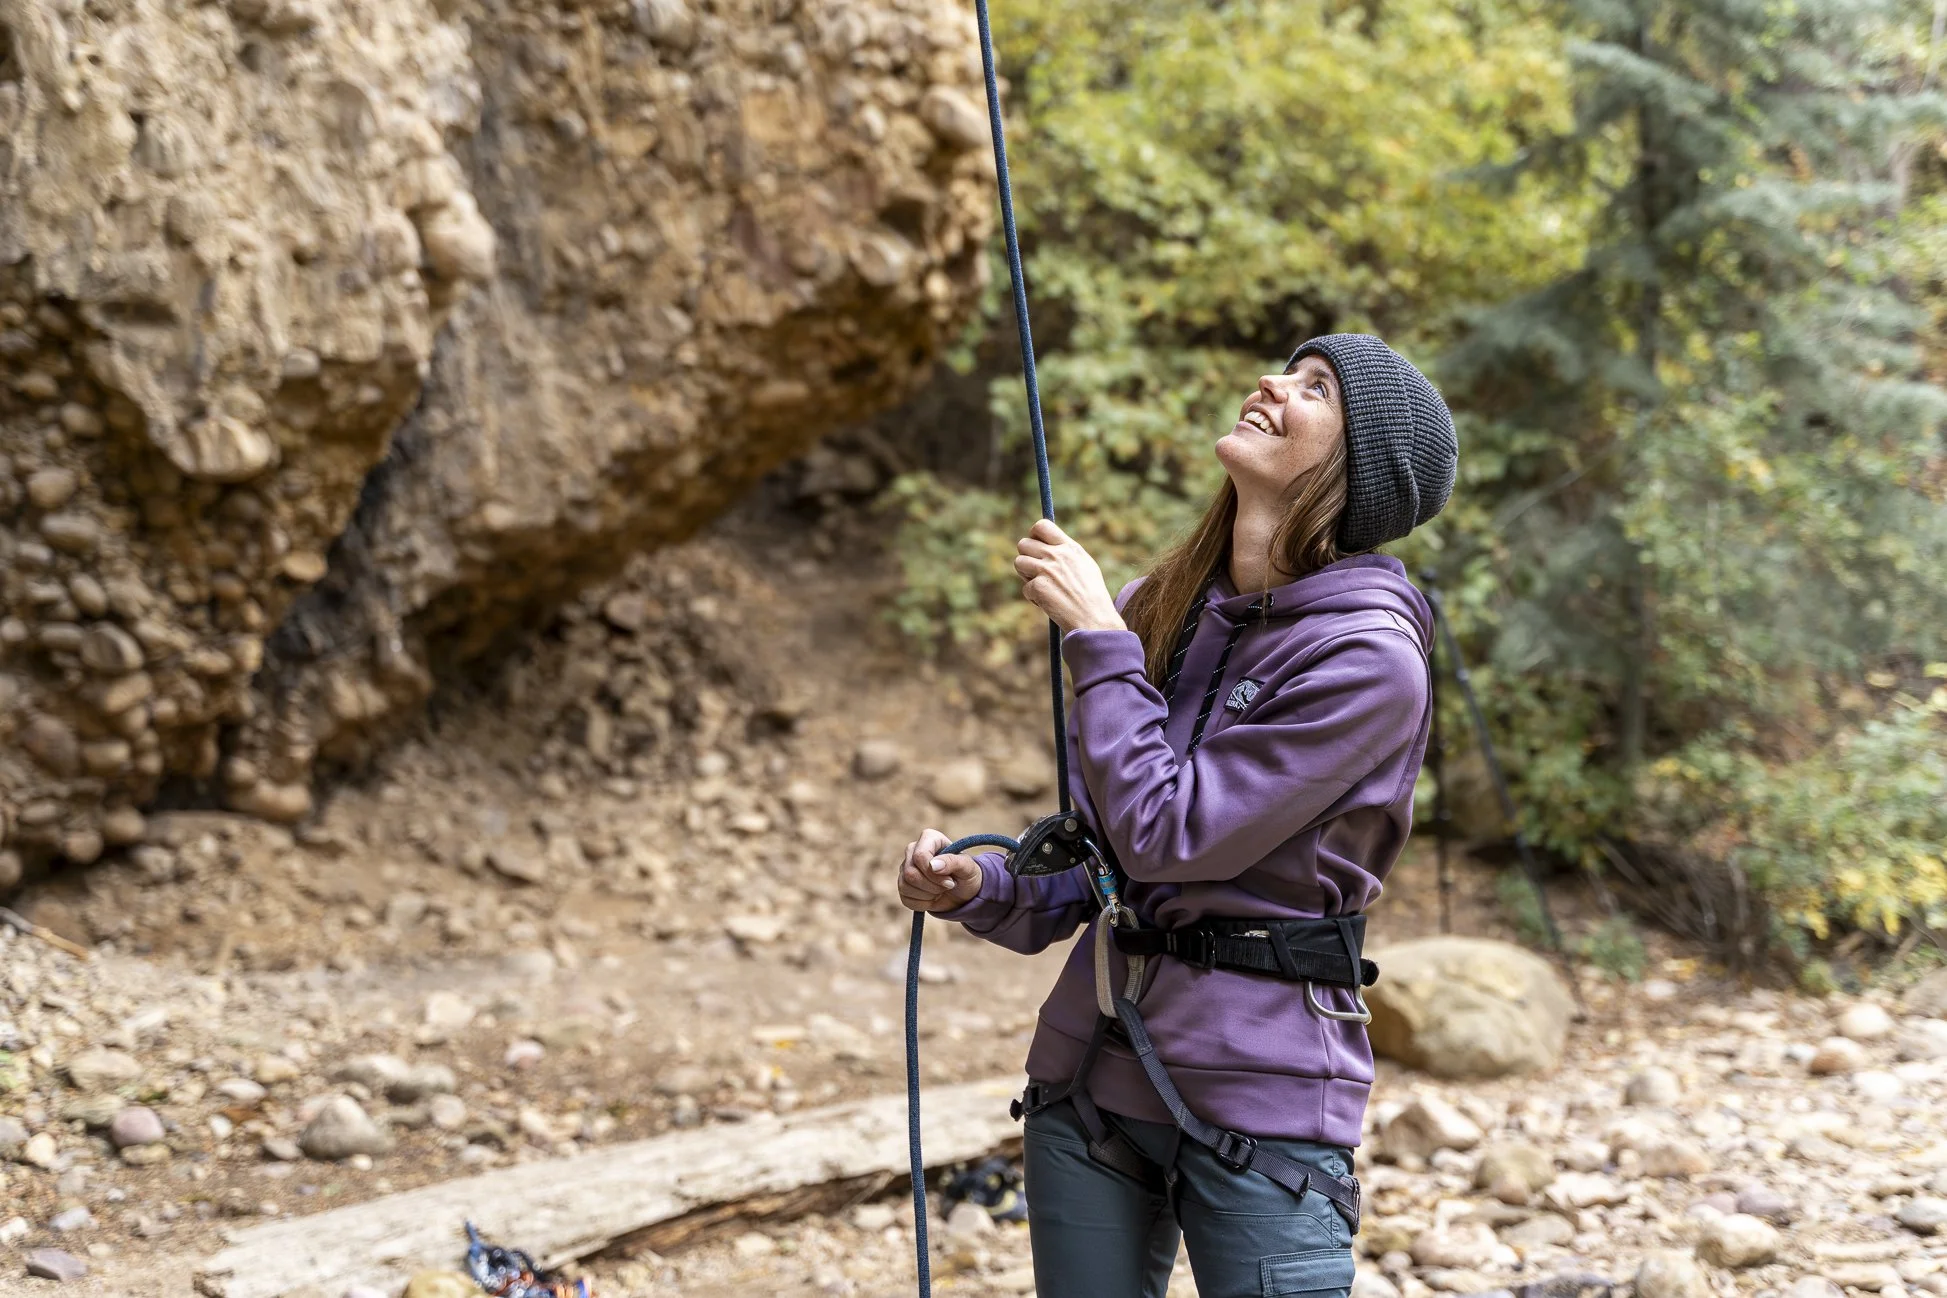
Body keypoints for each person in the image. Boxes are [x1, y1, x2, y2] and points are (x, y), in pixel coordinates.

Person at [896, 334, 1458, 1298]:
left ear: (1356, 469)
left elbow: (1173, 833)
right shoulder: (1160, 610)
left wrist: (1100, 643)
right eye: (1288, 367)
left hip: (1264, 1096)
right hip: (1090, 1081)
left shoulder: (1369, 660)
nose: (1274, 384)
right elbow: (1119, 859)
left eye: (1316, 388)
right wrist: (984, 887)